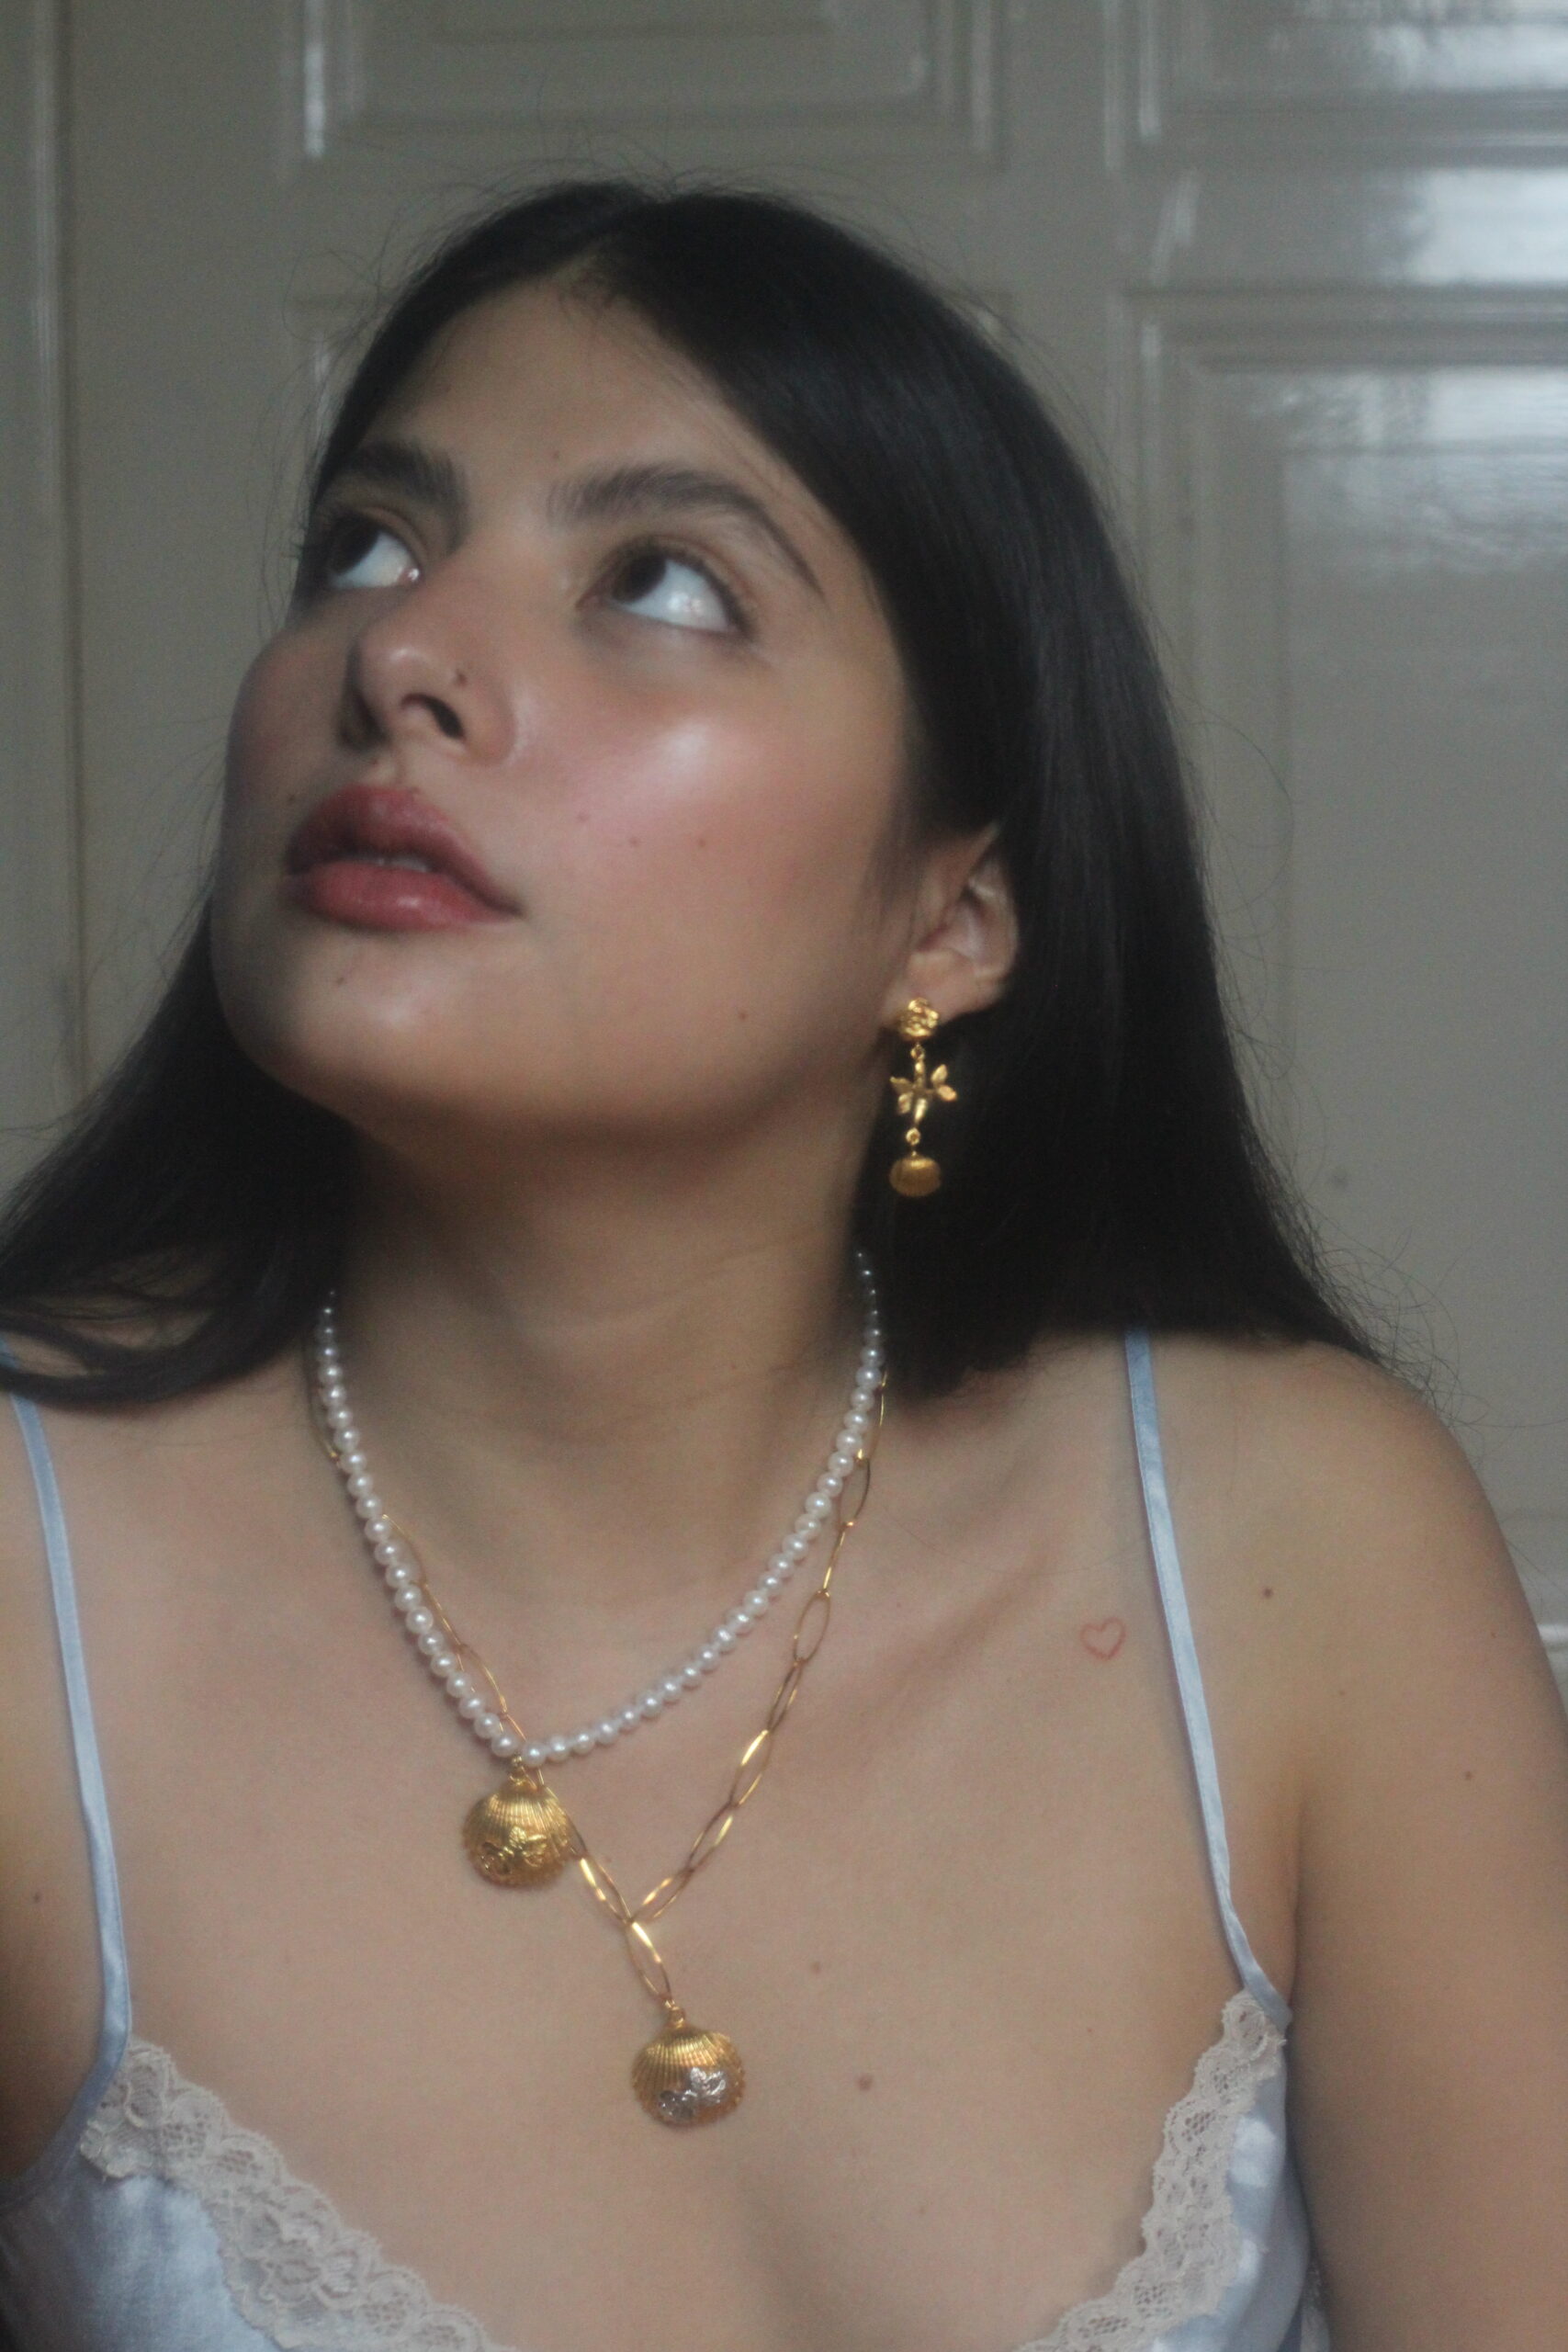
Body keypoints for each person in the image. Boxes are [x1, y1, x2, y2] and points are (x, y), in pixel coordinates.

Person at [0, 178, 1563, 2352]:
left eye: (659, 579)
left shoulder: (1297, 1543)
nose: (400, 656)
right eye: (365, 543)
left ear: (949, 916)